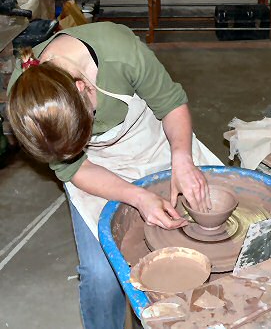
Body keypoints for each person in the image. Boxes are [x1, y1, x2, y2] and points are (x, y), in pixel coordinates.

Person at [7, 21, 222, 329]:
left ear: (84, 88)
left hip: (151, 141)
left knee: (207, 235)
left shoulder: (120, 52)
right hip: (94, 167)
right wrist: (138, 197)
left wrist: (182, 159)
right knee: (101, 272)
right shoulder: (26, 98)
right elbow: (75, 167)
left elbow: (172, 105)